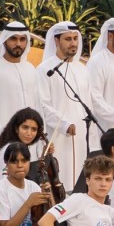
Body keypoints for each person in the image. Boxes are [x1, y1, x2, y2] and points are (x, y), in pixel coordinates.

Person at [35, 20, 91, 164]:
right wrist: (64, 125)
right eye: (68, 39)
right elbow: (42, 104)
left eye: (75, 38)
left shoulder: (83, 69)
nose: (73, 43)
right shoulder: (45, 69)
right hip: (57, 137)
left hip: (81, 137)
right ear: (56, 41)